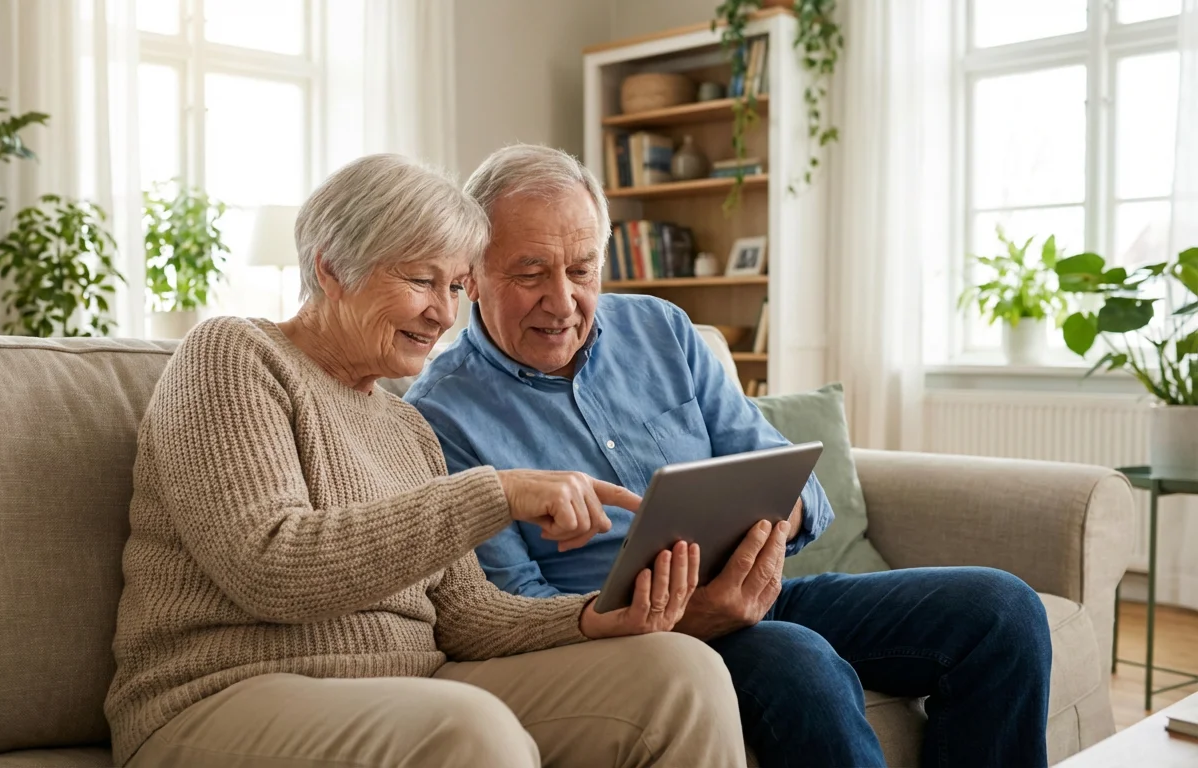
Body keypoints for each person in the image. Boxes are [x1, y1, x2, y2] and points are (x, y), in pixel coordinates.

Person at [405, 144, 1055, 768]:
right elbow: (513, 607)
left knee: (1002, 612)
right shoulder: (441, 414)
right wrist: (681, 621)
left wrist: (778, 523)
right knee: (802, 665)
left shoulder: (662, 331)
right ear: (472, 276)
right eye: (530, 273)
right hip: (627, 648)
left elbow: (786, 474)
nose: (563, 300)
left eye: (581, 270)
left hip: (757, 596)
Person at [104, 153, 746, 768]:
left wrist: (596, 615)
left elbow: (468, 616)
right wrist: (494, 492)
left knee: (680, 674)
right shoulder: (235, 355)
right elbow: (271, 565)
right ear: (331, 268)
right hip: (222, 695)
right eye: (419, 281)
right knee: (466, 729)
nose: (444, 314)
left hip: (414, 685)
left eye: (456, 286)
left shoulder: (408, 426)